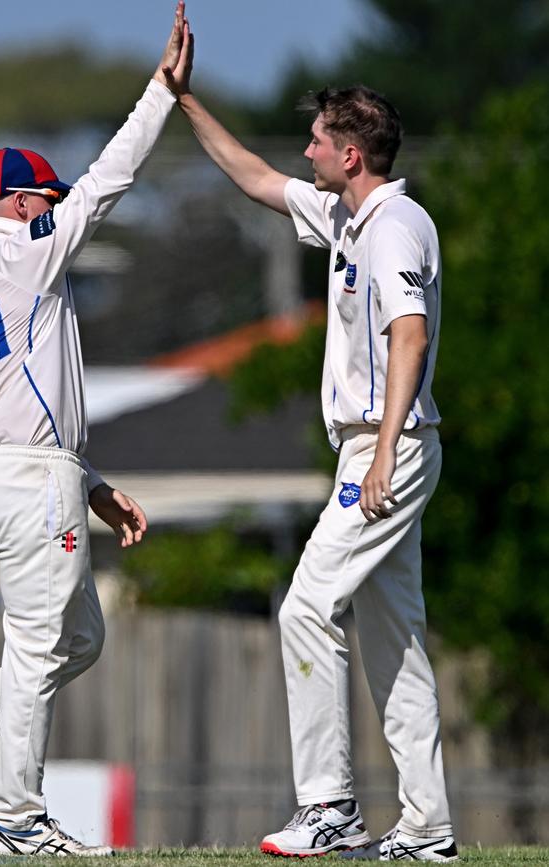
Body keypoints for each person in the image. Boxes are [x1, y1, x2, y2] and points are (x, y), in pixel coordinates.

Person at [0, 4, 192, 857]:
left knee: (78, 639)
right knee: (38, 647)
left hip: (16, 467)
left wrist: (94, 486)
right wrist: (161, 93)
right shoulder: (26, 250)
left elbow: (36, 391)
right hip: (28, 476)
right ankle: (20, 817)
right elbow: (107, 181)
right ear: (19, 200)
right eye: (45, 197)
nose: (54, 206)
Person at [162, 32, 458, 863]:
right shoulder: (345, 213)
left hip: (386, 448)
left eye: (320, 141)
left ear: (352, 152)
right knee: (392, 639)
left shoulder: (395, 224)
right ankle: (428, 829)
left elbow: (410, 335)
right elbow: (255, 178)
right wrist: (186, 99)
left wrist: (380, 454)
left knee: (303, 606)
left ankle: (328, 806)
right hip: (377, 447)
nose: (306, 151)